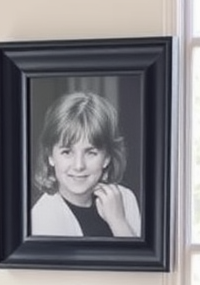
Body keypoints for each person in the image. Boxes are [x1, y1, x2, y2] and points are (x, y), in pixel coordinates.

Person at [30, 91, 141, 238]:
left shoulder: (125, 199)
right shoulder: (43, 216)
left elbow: (140, 261)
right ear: (50, 156)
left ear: (107, 157)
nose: (79, 165)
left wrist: (118, 221)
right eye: (67, 152)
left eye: (91, 153)